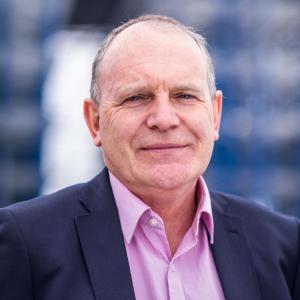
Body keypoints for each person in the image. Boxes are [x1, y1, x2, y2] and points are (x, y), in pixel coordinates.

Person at [0, 14, 299, 300]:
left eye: (185, 96)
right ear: (95, 122)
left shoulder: (282, 245)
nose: (164, 119)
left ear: (216, 115)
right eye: (136, 98)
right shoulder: (25, 243)